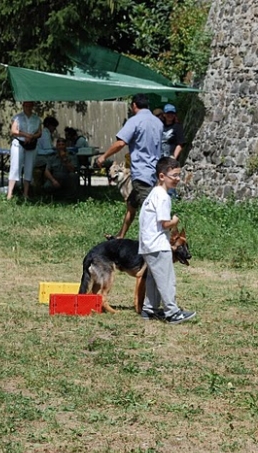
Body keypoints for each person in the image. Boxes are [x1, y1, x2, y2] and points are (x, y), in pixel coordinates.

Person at [96, 93, 163, 239]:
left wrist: (103, 156)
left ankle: (162, 243)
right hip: (155, 172)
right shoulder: (158, 122)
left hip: (142, 173)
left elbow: (120, 143)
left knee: (150, 212)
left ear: (134, 105)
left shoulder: (135, 121)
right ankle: (120, 237)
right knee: (131, 206)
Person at [138, 157, 196, 324]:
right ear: (162, 176)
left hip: (148, 244)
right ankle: (172, 312)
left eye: (179, 175)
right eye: (174, 175)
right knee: (166, 280)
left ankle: (150, 309)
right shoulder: (163, 197)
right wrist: (175, 221)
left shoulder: (153, 194)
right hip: (158, 244)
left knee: (154, 279)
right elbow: (164, 223)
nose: (177, 179)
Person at [7, 101, 42, 200]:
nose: (27, 107)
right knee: (15, 166)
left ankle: (25, 193)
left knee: (29, 167)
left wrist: (32, 136)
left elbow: (39, 133)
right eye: (25, 105)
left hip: (31, 143)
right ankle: (10, 193)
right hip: (19, 143)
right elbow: (13, 131)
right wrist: (25, 135)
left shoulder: (36, 119)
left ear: (32, 106)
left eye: (29, 105)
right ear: (23, 106)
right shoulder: (17, 117)